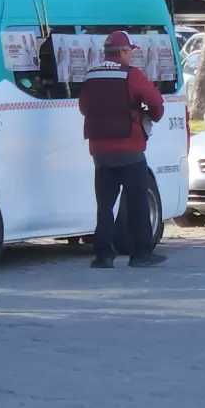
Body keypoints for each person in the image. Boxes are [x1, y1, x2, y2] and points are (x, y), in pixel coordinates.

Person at [78, 31, 167, 268]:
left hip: (100, 151)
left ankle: (104, 255)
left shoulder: (90, 76)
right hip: (129, 148)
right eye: (130, 52)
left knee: (105, 204)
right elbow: (156, 104)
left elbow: (84, 108)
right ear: (124, 52)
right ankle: (141, 253)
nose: (131, 56)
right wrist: (149, 115)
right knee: (137, 202)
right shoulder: (131, 75)